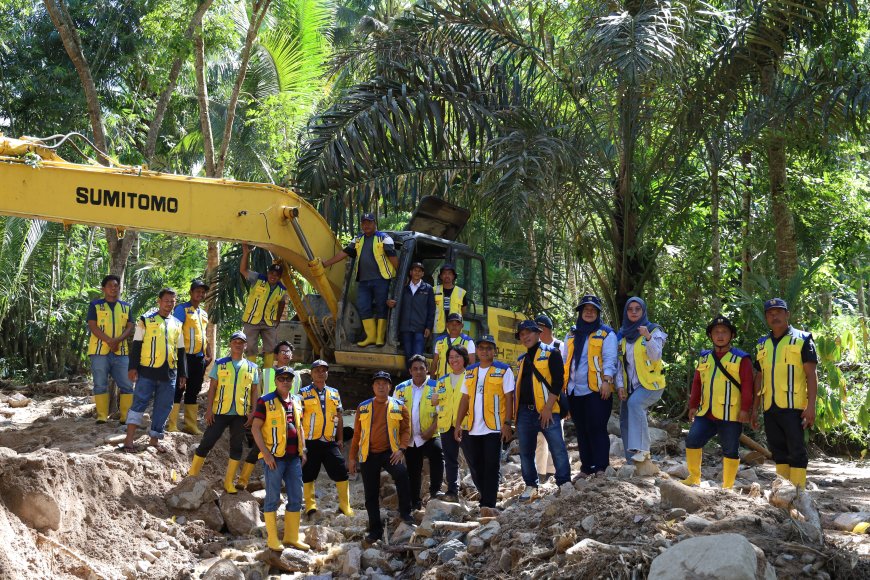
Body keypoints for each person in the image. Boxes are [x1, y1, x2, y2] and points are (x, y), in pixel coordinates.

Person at [753, 298, 818, 489]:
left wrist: (811, 405)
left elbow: (811, 374)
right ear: (766, 318)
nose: (775, 316)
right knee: (778, 451)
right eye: (770, 313)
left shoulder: (802, 339)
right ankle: (783, 491)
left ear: (787, 314)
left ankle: (798, 493)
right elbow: (759, 377)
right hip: (770, 406)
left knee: (796, 450)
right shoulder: (762, 344)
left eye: (778, 312)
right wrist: (755, 408)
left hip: (794, 406)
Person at [682, 316, 754, 489]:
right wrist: (693, 405)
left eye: (724, 332)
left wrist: (745, 409)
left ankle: (727, 486)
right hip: (706, 412)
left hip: (731, 413)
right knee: (692, 440)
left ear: (732, 335)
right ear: (710, 335)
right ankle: (694, 477)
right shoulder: (705, 357)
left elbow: (747, 386)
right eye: (716, 332)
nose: (720, 335)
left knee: (730, 449)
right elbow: (697, 383)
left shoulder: (741, 358)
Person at [187, 331, 259, 494]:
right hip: (220, 412)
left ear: (245, 346)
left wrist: (253, 412)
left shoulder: (252, 368)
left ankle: (228, 482)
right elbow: (212, 387)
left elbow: (255, 391)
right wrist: (209, 410)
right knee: (208, 441)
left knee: (236, 446)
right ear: (230, 344)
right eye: (235, 342)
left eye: (241, 342)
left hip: (241, 414)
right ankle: (192, 475)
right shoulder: (220, 364)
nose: (238, 344)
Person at [348, 371, 414, 545]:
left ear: (390, 387)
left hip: (391, 452)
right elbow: (356, 434)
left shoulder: (399, 406)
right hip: (368, 454)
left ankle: (405, 513)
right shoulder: (363, 407)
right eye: (377, 383)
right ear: (373, 386)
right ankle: (375, 529)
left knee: (401, 474)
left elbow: (406, 430)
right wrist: (352, 458)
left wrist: (402, 449)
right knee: (371, 493)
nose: (381, 386)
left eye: (384, 383)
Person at [121, 288, 187, 453]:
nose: (169, 304)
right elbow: (136, 345)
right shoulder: (145, 320)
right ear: (159, 301)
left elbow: (181, 350)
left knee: (164, 406)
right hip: (147, 371)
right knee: (139, 403)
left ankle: (154, 440)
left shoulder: (178, 324)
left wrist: (183, 373)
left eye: (172, 301)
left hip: (169, 373)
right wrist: (132, 367)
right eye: (166, 301)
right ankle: (128, 440)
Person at [251, 366, 309, 551]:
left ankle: (292, 537)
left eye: (288, 379)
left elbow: (299, 426)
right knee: (272, 499)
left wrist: (304, 449)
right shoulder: (265, 401)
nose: (285, 382)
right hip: (274, 459)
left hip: (294, 458)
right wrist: (266, 454)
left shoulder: (297, 401)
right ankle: (272, 539)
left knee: (296, 497)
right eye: (282, 378)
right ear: (276, 381)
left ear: (292, 382)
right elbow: (255, 428)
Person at [453, 335, 514, 509]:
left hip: (494, 427)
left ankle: (488, 504)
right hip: (472, 427)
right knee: (476, 467)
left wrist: (507, 423)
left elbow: (509, 398)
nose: (485, 351)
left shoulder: (504, 370)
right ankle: (485, 496)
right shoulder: (471, 371)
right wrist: (458, 424)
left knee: (491, 467)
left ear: (494, 350)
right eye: (481, 348)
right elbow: (465, 399)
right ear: (477, 350)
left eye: (489, 348)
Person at [322, 213, 398, 348]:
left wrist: (402, 275)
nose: (366, 225)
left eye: (369, 222)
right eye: (364, 223)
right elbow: (344, 253)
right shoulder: (358, 239)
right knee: (363, 306)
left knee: (381, 306)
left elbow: (392, 258)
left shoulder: (384, 238)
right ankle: (371, 336)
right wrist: (326, 263)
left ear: (375, 223)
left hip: (381, 279)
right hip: (363, 281)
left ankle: (380, 337)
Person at [514, 320, 570, 500]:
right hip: (524, 412)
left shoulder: (552, 353)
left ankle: (564, 484)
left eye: (528, 332)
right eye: (522, 334)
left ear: (538, 333)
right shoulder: (522, 360)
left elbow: (558, 382)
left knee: (557, 448)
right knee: (526, 452)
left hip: (548, 411)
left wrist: (547, 408)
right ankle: (531, 485)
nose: (525, 337)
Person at [564, 295, 618, 476]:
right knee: (581, 430)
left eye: (593, 310)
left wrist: (607, 381)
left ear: (598, 313)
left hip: (597, 390)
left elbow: (610, 359)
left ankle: (601, 467)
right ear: (580, 312)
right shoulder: (571, 333)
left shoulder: (607, 333)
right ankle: (587, 468)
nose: (589, 312)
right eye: (585, 309)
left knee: (597, 427)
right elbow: (566, 360)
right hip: (573, 390)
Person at [236, 340, 300, 491]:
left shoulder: (296, 376)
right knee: (258, 449)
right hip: (267, 419)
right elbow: (257, 394)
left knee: (288, 453)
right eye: (282, 351)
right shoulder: (266, 373)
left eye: (288, 351)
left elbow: (297, 398)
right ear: (276, 355)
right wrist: (253, 414)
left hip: (287, 420)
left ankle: (284, 483)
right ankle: (243, 480)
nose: (285, 354)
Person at [299, 359, 353, 518]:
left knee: (341, 471)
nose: (320, 373)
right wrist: (301, 444)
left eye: (324, 370)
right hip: (310, 440)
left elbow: (339, 416)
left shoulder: (334, 392)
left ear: (327, 373)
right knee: (308, 473)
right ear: (311, 374)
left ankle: (345, 505)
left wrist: (340, 438)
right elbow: (299, 419)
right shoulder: (303, 393)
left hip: (329, 440)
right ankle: (310, 506)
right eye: (317, 370)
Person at [616, 297, 667, 464]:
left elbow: (656, 356)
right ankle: (632, 463)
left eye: (638, 308)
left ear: (643, 311)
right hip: (631, 386)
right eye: (630, 309)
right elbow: (620, 363)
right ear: (626, 312)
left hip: (651, 384)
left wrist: (647, 337)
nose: (634, 312)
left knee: (635, 404)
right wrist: (620, 385)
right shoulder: (622, 334)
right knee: (625, 420)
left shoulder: (653, 330)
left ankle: (644, 450)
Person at [393, 355, 444, 509]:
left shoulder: (436, 386)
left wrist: (431, 430)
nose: (418, 371)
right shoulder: (400, 389)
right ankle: (415, 502)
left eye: (422, 368)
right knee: (413, 470)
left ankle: (435, 491)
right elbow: (394, 414)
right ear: (410, 371)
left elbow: (442, 412)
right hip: (410, 438)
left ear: (427, 369)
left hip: (430, 435)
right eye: (415, 368)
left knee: (437, 452)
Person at [87, 274, 135, 424]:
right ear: (103, 289)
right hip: (99, 351)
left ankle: (125, 416)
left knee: (127, 384)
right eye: (110, 286)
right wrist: (109, 340)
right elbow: (92, 325)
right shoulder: (95, 305)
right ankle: (102, 415)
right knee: (100, 383)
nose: (113, 288)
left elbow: (130, 326)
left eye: (116, 286)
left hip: (121, 352)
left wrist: (118, 340)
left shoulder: (126, 307)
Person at [169, 279, 212, 434]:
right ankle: (172, 424)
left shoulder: (204, 313)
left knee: (194, 390)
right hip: (184, 356)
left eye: (202, 292)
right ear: (191, 292)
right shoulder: (182, 309)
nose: (200, 294)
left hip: (199, 358)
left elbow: (204, 335)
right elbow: (175, 331)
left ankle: (190, 425)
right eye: (197, 291)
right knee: (178, 388)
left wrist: (209, 353)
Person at [240, 243, 288, 367]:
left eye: (277, 275)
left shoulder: (282, 289)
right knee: (250, 347)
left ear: (279, 277)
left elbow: (282, 302)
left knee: (271, 348)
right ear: (268, 273)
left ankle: (268, 377)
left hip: (268, 322)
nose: (273, 276)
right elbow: (243, 270)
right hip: (251, 320)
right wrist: (246, 254)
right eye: (272, 273)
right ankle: (251, 374)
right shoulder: (258, 279)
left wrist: (277, 318)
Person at [532, 314, 564, 480]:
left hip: (556, 399)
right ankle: (541, 472)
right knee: (540, 437)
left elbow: (565, 375)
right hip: (538, 400)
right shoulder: (534, 350)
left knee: (557, 435)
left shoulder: (560, 346)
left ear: (543, 329)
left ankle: (555, 471)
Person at [436, 345, 469, 501]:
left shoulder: (470, 377)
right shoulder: (442, 381)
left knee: (472, 458)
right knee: (450, 459)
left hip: (466, 424)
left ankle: (480, 489)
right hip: (446, 424)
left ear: (464, 358)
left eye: (457, 356)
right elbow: (436, 403)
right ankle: (452, 491)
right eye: (451, 357)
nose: (454, 360)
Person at [387, 262, 435, 362]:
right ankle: (411, 377)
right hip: (405, 328)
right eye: (415, 270)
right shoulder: (403, 288)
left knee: (418, 356)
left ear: (422, 274)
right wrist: (389, 302)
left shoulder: (428, 289)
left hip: (420, 328)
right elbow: (395, 302)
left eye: (419, 271)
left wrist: (428, 327)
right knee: (408, 356)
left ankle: (417, 377)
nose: (417, 273)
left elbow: (431, 309)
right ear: (410, 272)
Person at [430, 313, 475, 380]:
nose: (454, 326)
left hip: (460, 382)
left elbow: (471, 365)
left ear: (462, 326)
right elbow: (435, 362)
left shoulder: (468, 342)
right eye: (451, 323)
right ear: (447, 325)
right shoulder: (439, 341)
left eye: (457, 324)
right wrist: (431, 380)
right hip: (441, 382)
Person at [433, 263, 467, 334]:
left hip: (454, 329)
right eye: (444, 273)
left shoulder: (461, 292)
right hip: (437, 329)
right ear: (441, 276)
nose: (447, 276)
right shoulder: (434, 290)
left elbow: (463, 311)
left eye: (449, 273)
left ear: (453, 276)